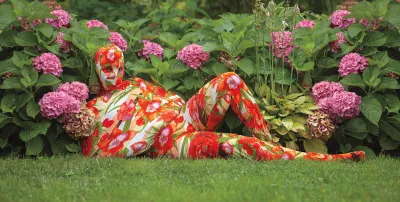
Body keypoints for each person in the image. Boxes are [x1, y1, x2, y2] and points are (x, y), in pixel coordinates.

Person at [80, 44, 365, 161]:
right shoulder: (94, 108)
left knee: (230, 80)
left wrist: (174, 113)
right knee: (239, 145)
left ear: (123, 67)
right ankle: (328, 160)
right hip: (168, 144)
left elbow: (172, 100)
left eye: (117, 66)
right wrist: (146, 135)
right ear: (97, 69)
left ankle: (271, 140)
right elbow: (100, 152)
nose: (113, 73)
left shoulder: (137, 84)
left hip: (183, 119)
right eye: (106, 68)